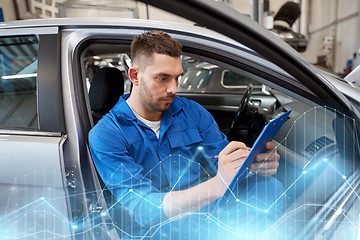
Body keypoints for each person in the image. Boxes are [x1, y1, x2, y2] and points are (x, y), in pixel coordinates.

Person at [89, 30, 283, 238]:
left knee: (268, 186)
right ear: (135, 76)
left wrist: (252, 165)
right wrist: (218, 184)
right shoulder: (107, 134)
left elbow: (221, 160)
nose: (173, 89)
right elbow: (145, 209)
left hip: (202, 215)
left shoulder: (192, 112)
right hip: (154, 230)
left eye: (177, 78)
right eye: (162, 78)